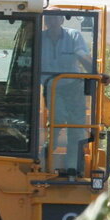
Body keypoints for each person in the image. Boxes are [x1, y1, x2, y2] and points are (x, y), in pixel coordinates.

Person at [40, 14, 93, 171]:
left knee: (76, 128)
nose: (53, 22)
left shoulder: (73, 36)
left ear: (62, 20)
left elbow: (83, 56)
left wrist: (97, 74)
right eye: (49, 19)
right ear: (45, 22)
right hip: (51, 87)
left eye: (56, 18)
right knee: (58, 119)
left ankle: (73, 167)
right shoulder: (38, 38)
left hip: (73, 87)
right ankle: (44, 160)